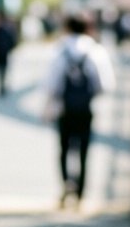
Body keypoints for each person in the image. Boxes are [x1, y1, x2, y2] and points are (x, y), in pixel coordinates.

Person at [45, 12, 116, 208]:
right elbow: (106, 84)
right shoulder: (96, 51)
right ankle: (81, 193)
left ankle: (65, 186)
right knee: (84, 151)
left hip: (64, 109)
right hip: (86, 109)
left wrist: (50, 105)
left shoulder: (60, 50)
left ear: (67, 28)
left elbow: (51, 85)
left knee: (64, 149)